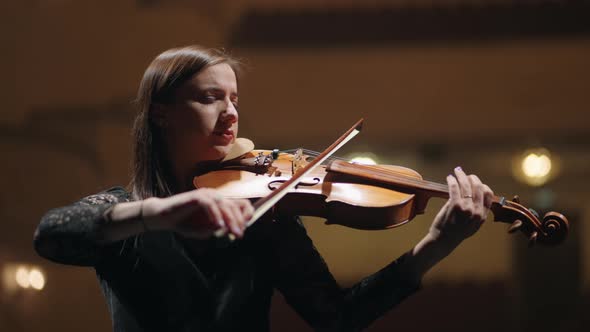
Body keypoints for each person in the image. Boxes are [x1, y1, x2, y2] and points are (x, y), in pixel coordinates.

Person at [34, 45, 494, 332]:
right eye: (210, 97)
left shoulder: (266, 218)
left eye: (234, 98)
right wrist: (162, 212)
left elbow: (337, 319)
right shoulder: (123, 213)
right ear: (161, 112)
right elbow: (53, 233)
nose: (231, 112)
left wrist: (436, 244)